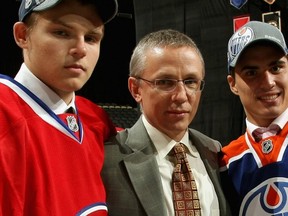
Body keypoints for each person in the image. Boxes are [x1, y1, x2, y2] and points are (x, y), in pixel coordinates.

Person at [0, 0, 118, 215]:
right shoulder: (4, 114)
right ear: (22, 35)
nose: (80, 49)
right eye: (62, 33)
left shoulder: (95, 118)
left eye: (91, 38)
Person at [101, 29, 231, 216]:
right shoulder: (107, 159)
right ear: (136, 89)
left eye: (190, 82)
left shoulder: (213, 151)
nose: (181, 96)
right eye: (165, 82)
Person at [219, 21, 288, 215]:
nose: (268, 82)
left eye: (276, 68)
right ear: (233, 84)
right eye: (252, 72)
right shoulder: (224, 163)